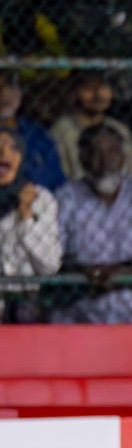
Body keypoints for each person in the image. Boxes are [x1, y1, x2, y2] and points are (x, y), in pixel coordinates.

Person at [52, 125, 132, 324]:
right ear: (82, 158)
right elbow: (51, 258)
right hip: (76, 315)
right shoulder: (64, 197)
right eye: (94, 152)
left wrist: (122, 273)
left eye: (111, 151)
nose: (104, 161)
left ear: (123, 155)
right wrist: (85, 272)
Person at [0, 129, 62, 322]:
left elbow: (50, 265)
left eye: (13, 148)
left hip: (26, 305)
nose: (4, 154)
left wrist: (27, 216)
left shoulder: (40, 199)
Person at [50, 72, 132, 182]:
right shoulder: (62, 130)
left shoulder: (119, 128)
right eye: (89, 88)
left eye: (103, 87)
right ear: (73, 93)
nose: (98, 95)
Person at [0, 70, 64, 190]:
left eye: (9, 85)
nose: (3, 93)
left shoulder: (37, 134)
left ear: (18, 90)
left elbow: (57, 182)